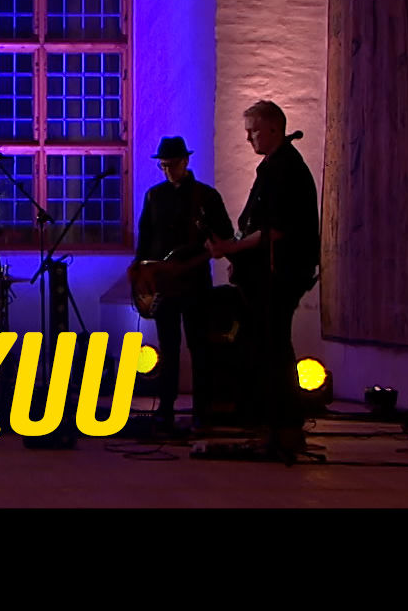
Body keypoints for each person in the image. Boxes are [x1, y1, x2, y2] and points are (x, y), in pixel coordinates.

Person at [208, 101, 321, 456]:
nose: (248, 138)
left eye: (253, 131)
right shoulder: (274, 166)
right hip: (269, 273)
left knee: (275, 349)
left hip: (281, 274)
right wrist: (240, 258)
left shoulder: (286, 168)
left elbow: (277, 229)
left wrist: (233, 247)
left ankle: (285, 428)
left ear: (273, 129)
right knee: (267, 347)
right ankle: (274, 425)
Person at [134, 136, 235, 431]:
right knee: (168, 347)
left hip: (194, 280)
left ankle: (202, 410)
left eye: (171, 165)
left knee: (199, 346)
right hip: (164, 282)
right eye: (163, 166)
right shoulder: (154, 196)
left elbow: (224, 233)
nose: (167, 171)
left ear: (185, 162)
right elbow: (145, 239)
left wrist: (213, 245)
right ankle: (166, 408)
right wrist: (142, 276)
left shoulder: (206, 197)